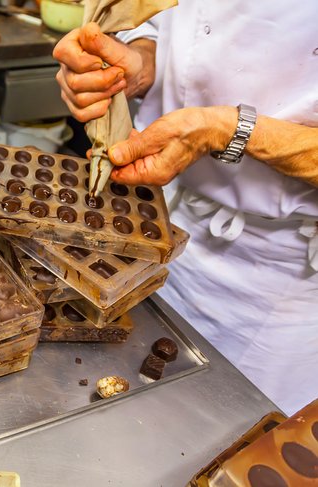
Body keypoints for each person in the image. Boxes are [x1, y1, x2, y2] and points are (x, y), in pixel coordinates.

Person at [53, 1, 318, 415]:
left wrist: (226, 130)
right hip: (164, 234)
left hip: (280, 276)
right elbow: (180, 30)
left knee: (229, 438)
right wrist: (136, 66)